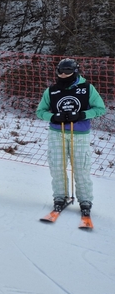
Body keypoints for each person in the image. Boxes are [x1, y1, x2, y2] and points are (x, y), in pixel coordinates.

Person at [35, 58, 106, 216]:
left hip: (79, 134)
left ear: (75, 72)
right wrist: (53, 117)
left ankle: (85, 199)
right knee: (57, 166)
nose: (63, 74)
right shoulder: (52, 90)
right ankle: (60, 196)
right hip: (56, 133)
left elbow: (100, 108)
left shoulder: (87, 88)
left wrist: (82, 114)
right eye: (61, 71)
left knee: (81, 168)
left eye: (67, 71)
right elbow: (40, 111)